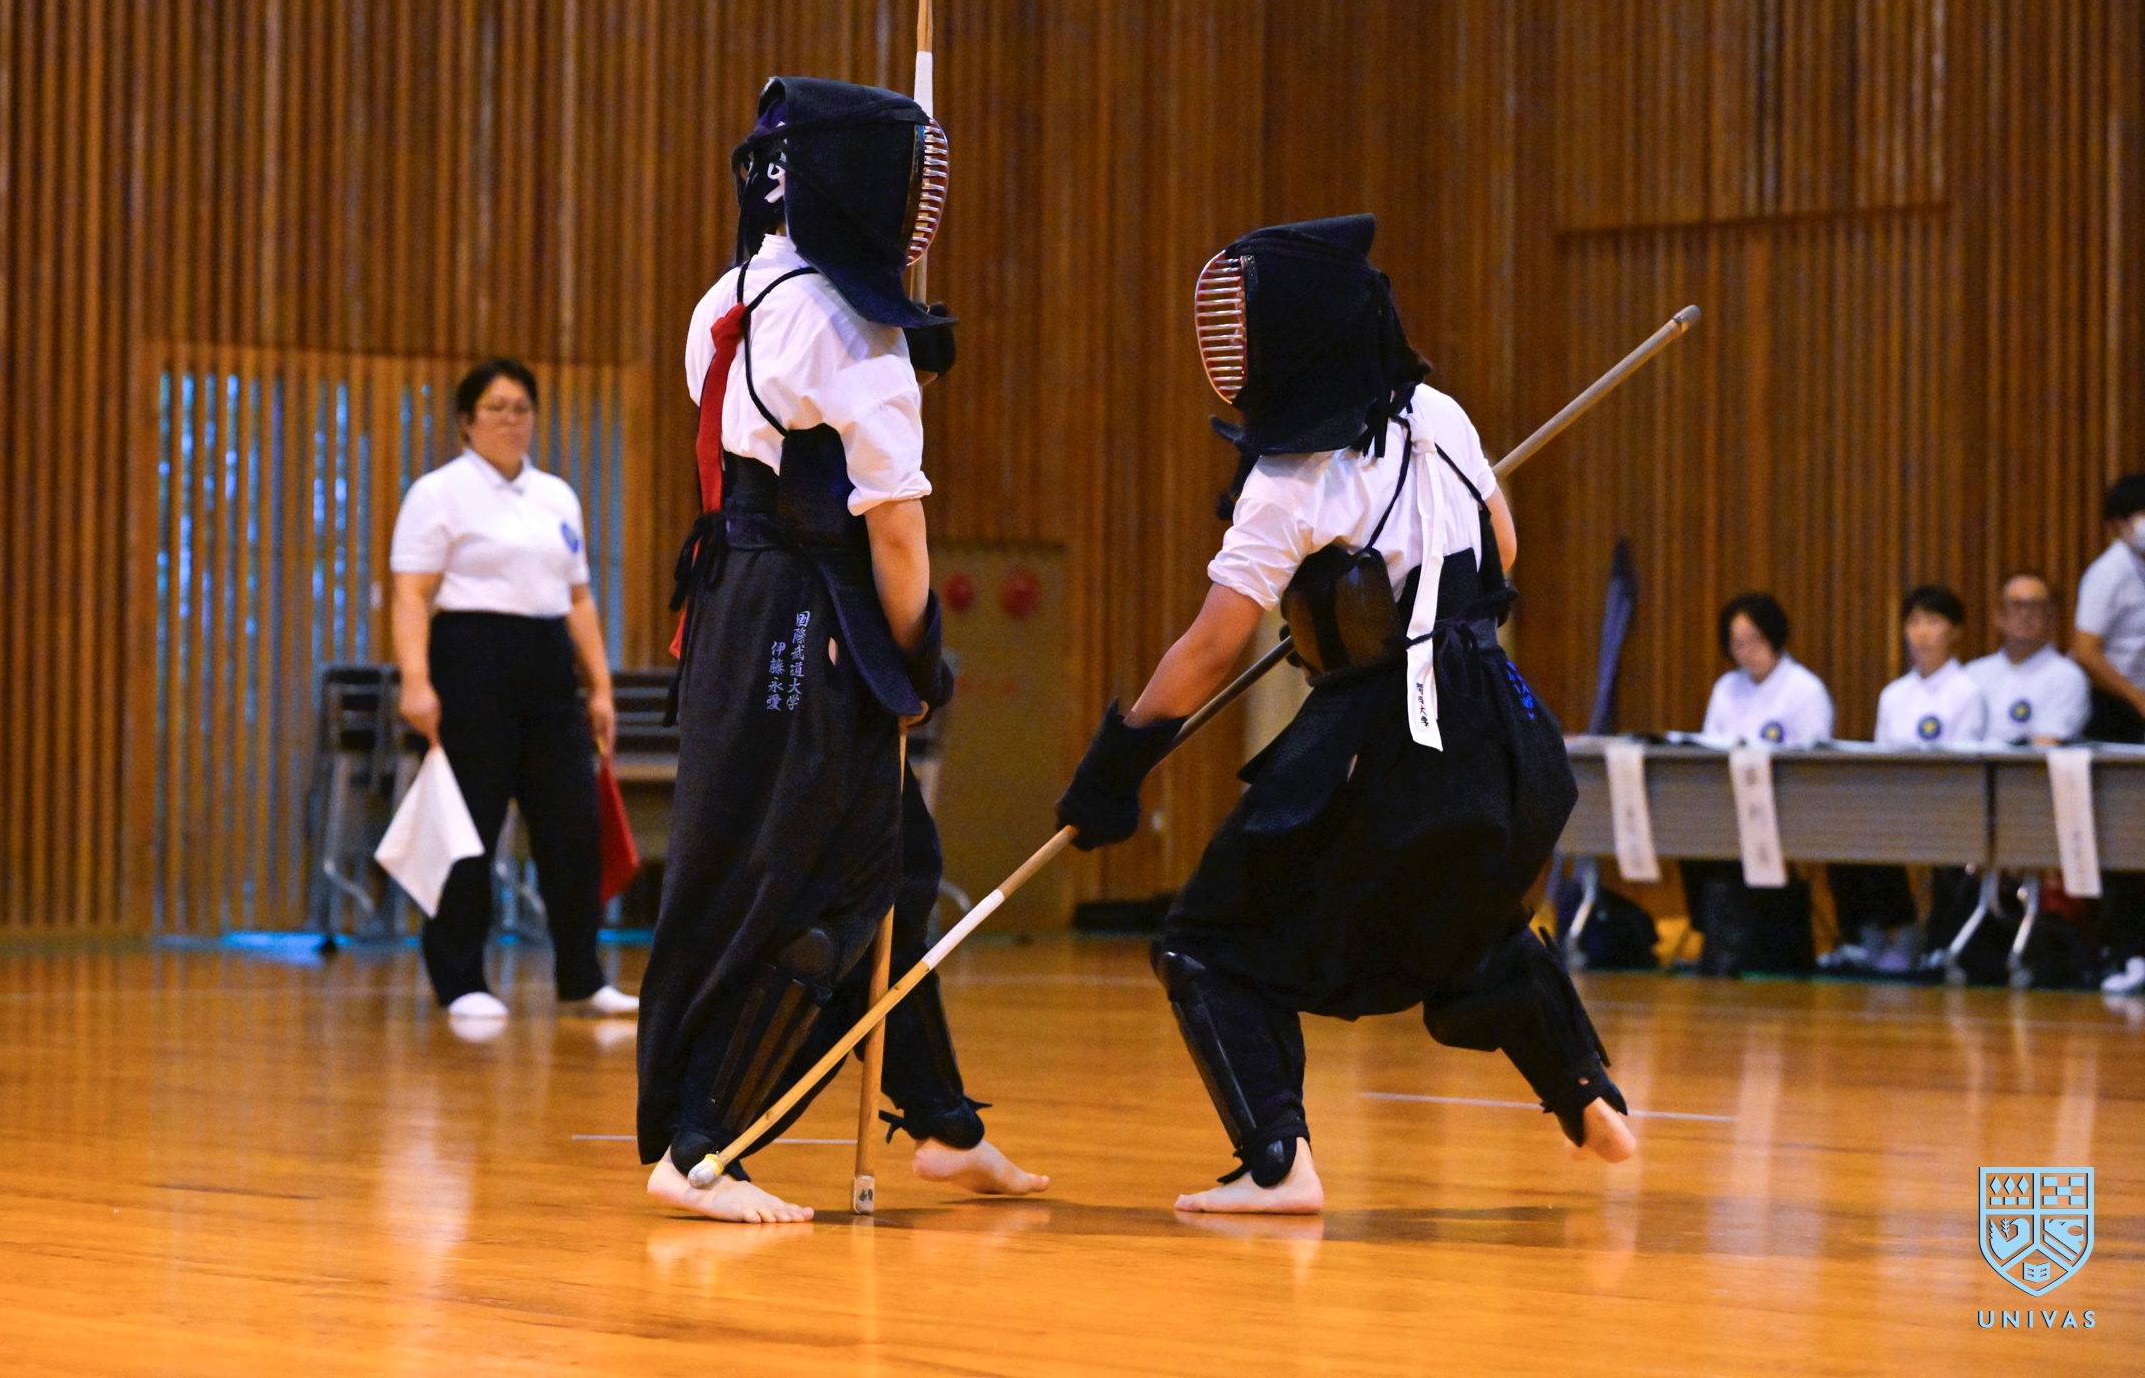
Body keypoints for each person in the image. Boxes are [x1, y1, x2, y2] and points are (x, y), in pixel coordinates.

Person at [1055, 214, 1633, 1217]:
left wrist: (1118, 764)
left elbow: (1212, 647)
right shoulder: (1442, 414)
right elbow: (1500, 549)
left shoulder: (1288, 482)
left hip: (1389, 740)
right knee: (1463, 921)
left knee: (1208, 942)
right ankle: (1586, 1091)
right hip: (1501, 726)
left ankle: (1277, 1162)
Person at [638, 77, 1045, 1223]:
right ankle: (705, 1142)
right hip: (807, 615)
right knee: (826, 879)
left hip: (736, 599)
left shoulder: (727, 295)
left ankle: (945, 1123)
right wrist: (918, 661)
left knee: (895, 863)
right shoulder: (847, 324)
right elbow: (896, 532)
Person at [389, 358, 635, 1022]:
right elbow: (411, 594)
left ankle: (582, 976)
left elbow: (578, 597)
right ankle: (460, 979)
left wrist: (600, 687)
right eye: (496, 407)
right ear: (466, 421)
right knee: (471, 821)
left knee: (572, 825)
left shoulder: (556, 495)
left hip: (548, 664)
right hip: (471, 659)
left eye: (522, 407)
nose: (511, 419)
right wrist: (416, 681)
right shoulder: (437, 493)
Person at [1822, 584, 1983, 977]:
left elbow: (1965, 763)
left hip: (1949, 805)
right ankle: (1872, 932)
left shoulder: (1968, 691)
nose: (1922, 632)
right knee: (1838, 824)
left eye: (1933, 621)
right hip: (1895, 804)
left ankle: (1917, 936)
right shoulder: (1894, 694)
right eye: (1914, 622)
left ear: (1955, 632)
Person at [1683, 593, 1832, 976]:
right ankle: (1716, 935)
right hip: (1728, 806)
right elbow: (1710, 749)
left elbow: (1814, 763)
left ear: (1774, 636)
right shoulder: (1726, 688)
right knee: (1686, 832)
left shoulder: (1805, 689)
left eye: (1754, 640)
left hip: (1786, 808)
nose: (1746, 651)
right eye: (1737, 643)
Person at [2073, 473, 2145, 995]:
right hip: (2119, 710)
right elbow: (2085, 650)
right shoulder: (2108, 573)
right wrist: (2137, 699)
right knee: (2127, 834)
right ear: (2119, 525)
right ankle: (2127, 952)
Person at [1965, 573, 2091, 745]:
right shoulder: (1973, 673)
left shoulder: (2067, 677)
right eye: (2016, 605)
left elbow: (2047, 744)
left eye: (2034, 606)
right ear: (1998, 616)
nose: (2024, 614)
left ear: (2051, 616)